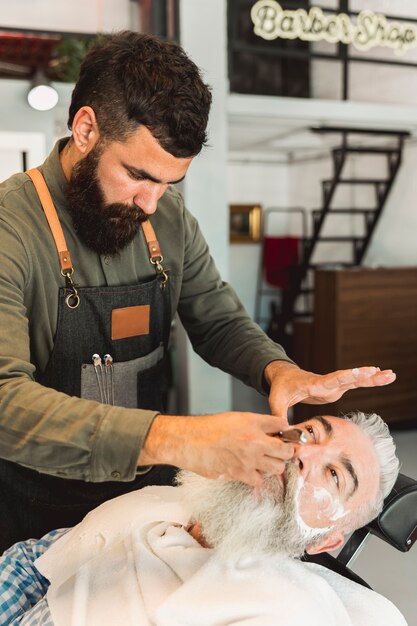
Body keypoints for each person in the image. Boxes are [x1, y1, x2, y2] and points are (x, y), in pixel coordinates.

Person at [0, 31, 396, 552]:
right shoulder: (12, 228)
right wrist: (180, 439)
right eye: (137, 175)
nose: (150, 203)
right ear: (86, 128)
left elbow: (219, 320)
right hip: (33, 505)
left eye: (169, 184)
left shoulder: (166, 218)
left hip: (143, 496)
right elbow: (5, 401)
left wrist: (279, 370)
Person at [0, 412, 405, 626]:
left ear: (325, 543)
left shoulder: (286, 608)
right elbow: (30, 564)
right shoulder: (158, 501)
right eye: (312, 433)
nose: (304, 454)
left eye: (334, 475)